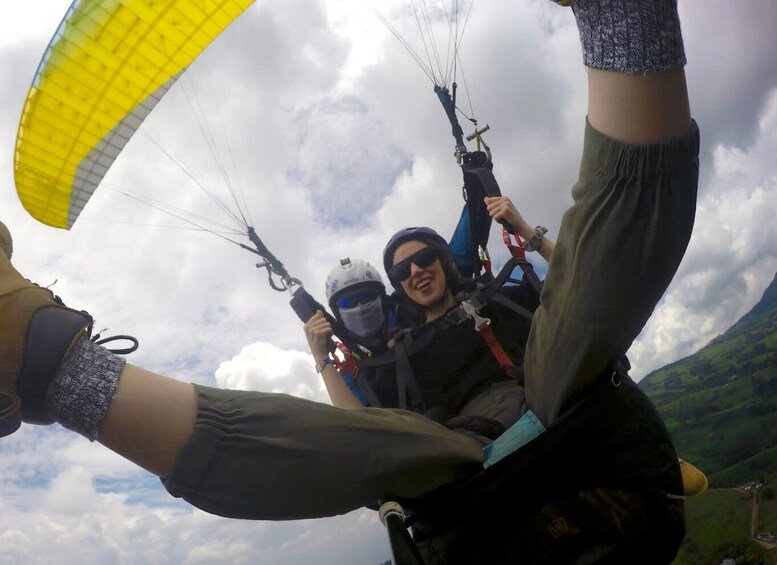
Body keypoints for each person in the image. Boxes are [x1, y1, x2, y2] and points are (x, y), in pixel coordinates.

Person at [0, 1, 699, 562]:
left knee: (576, 327)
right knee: (380, 444)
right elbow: (356, 420)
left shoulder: (484, 290)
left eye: (424, 260)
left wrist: (516, 219)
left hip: (566, 409)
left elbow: (576, 285)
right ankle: (50, 363)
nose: (415, 270)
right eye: (401, 270)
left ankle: (621, 20)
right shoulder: (385, 343)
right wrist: (322, 355)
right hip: (456, 474)